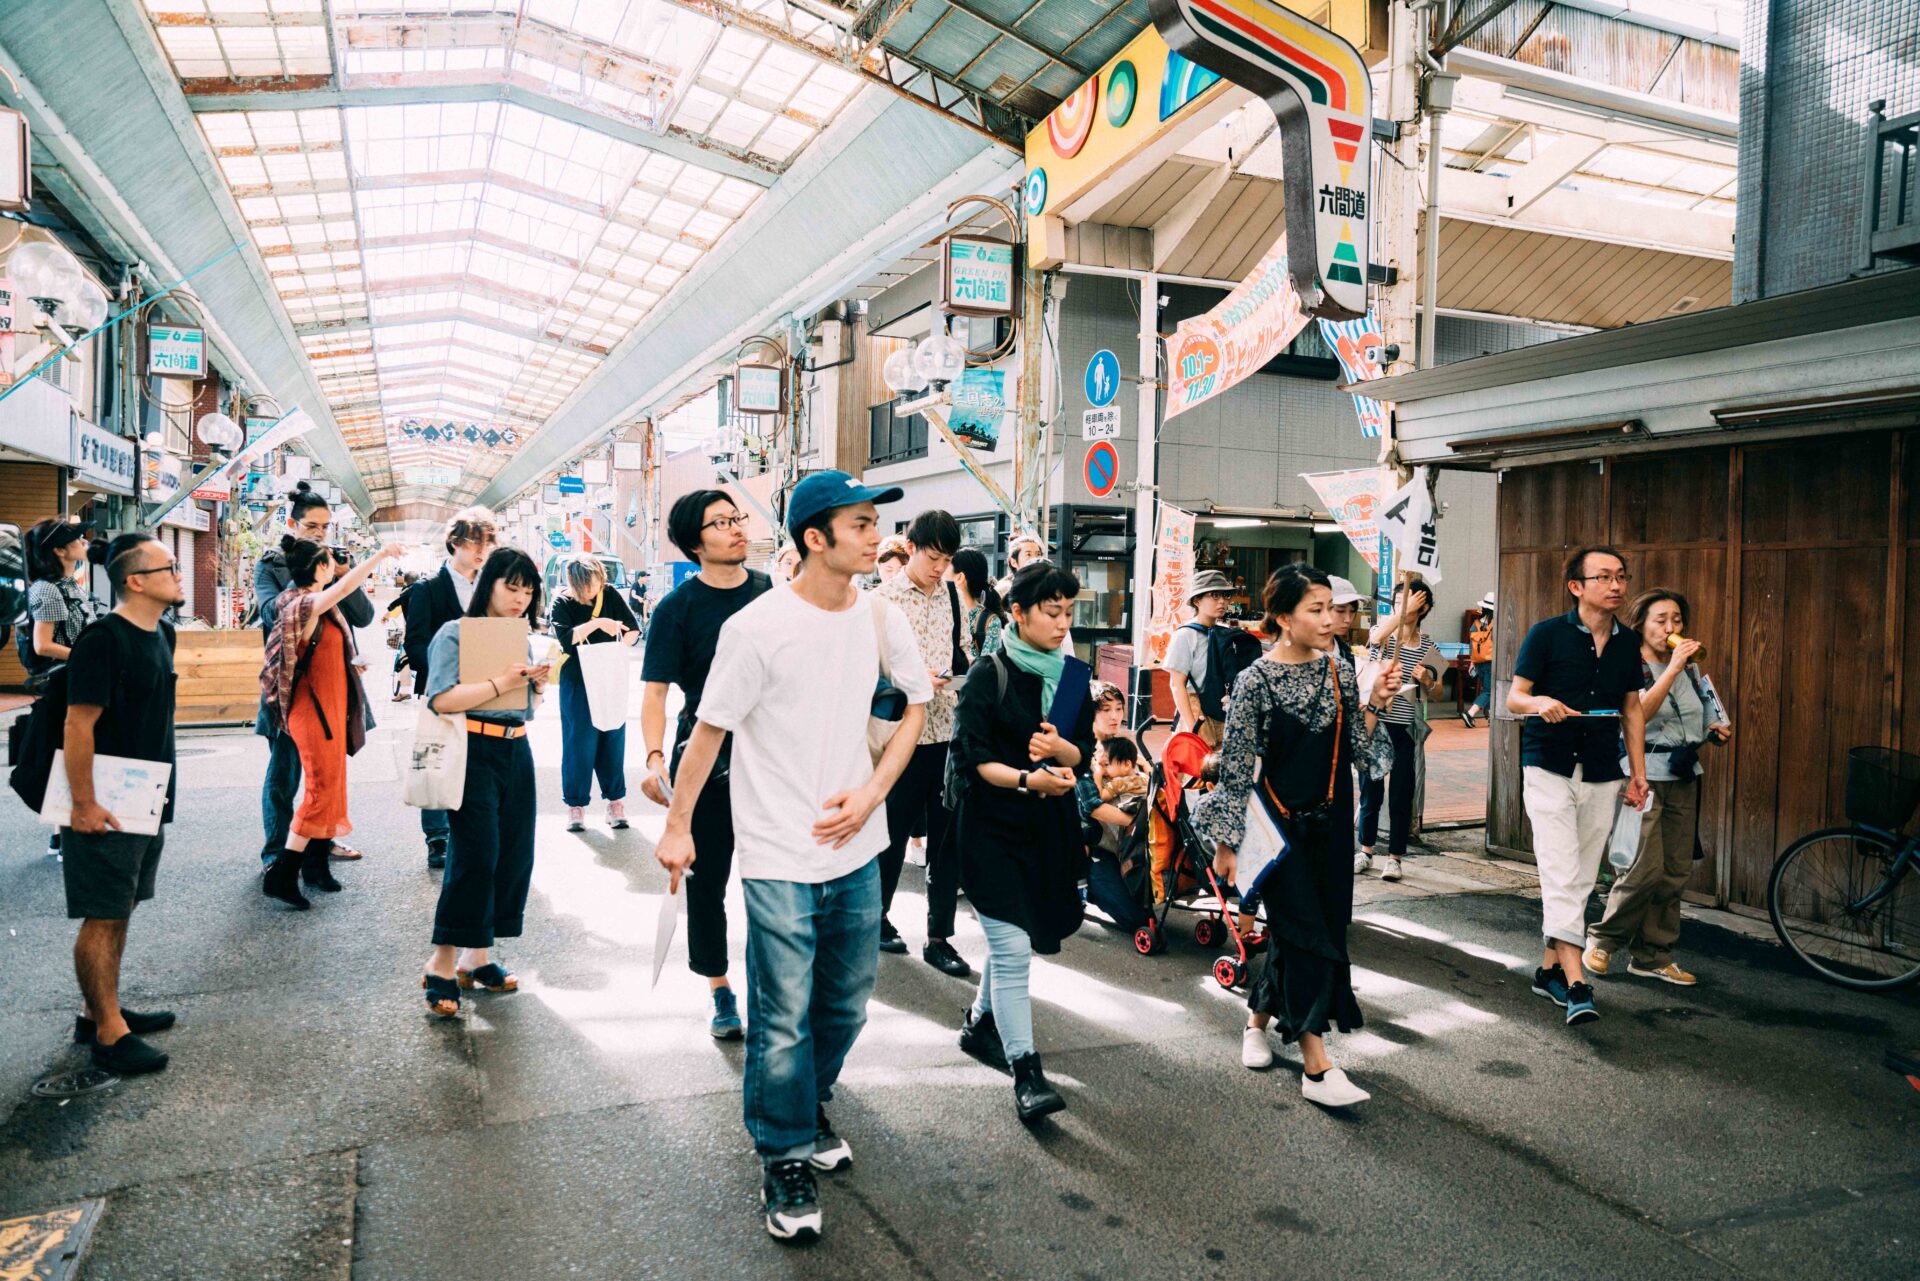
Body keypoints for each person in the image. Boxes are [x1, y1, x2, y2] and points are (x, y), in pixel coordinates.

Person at [653, 469, 927, 1244]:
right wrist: (679, 825)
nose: (879, 537)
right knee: (780, 1019)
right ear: (816, 538)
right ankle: (783, 1153)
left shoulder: (880, 616)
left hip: (857, 844)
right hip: (775, 846)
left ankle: (805, 1101)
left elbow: (917, 702)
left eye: (878, 523)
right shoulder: (758, 627)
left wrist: (873, 793)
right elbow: (709, 731)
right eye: (863, 524)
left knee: (846, 1002)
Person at [1198, 563, 1397, 1110]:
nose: (1332, 619)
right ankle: (1317, 1064)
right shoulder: (1254, 681)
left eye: (1332, 608)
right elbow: (1235, 769)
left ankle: (1256, 1024)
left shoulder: (1339, 672)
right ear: (1284, 618)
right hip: (1278, 832)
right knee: (1307, 932)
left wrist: (1376, 699)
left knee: (1312, 931)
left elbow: (1361, 751)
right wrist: (1226, 844)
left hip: (1331, 830)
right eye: (1317, 609)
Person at [950, 562, 1095, 1121]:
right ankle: (1026, 1073)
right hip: (989, 828)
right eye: (1051, 612)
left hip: (1045, 831)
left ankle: (977, 1025)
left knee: (1012, 939)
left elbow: (1083, 752)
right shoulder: (992, 672)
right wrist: (1027, 779)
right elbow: (972, 758)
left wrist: (1064, 755)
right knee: (1011, 949)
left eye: (1068, 613)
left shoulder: (1073, 677)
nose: (1062, 624)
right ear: (1019, 612)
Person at [640, 489, 772, 1039]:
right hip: (704, 757)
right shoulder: (678, 609)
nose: (737, 529)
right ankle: (719, 989)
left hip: (768, 754)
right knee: (707, 881)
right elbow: (655, 695)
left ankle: (773, 986)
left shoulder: (770, 592)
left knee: (772, 879)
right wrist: (652, 758)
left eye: (737, 518)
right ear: (695, 542)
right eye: (721, 523)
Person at [1508, 546, 1650, 1028]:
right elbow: (1514, 696)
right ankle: (1575, 981)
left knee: (1584, 874)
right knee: (1561, 867)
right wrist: (1540, 701)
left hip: (1602, 769)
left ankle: (1546, 970)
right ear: (1577, 586)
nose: (1616, 585)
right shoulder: (1546, 634)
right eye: (1604, 577)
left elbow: (1631, 709)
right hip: (1548, 765)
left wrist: (1638, 772)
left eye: (1621, 577)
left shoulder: (1629, 643)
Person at [61, 533, 184, 1076]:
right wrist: (83, 803)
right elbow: (77, 724)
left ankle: (99, 1009)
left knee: (123, 905)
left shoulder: (164, 633)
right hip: (107, 798)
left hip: (147, 794)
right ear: (135, 580)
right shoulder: (103, 640)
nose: (178, 573)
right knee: (104, 913)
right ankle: (109, 1035)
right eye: (169, 566)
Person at [419, 548, 550, 1019]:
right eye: (510, 587)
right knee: (475, 857)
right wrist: (500, 682)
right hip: (470, 752)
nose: (519, 598)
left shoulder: (524, 639)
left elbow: (525, 708)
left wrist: (535, 685)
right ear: (488, 584)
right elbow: (442, 699)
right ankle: (442, 963)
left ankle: (479, 958)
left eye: (527, 589)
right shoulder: (455, 633)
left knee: (513, 854)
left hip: (516, 750)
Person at [1584, 589, 1730, 987]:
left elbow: (1702, 710)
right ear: (1641, 624)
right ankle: (1603, 940)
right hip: (1642, 775)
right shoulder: (1628, 665)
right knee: (1641, 867)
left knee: (1674, 871)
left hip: (1683, 774)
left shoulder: (1691, 669)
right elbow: (1635, 716)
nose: (1671, 627)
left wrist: (1713, 730)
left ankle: (1653, 955)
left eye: (1677, 620)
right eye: (1661, 620)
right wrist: (1671, 669)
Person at [259, 539, 403, 909]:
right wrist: (381, 555)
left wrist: (351, 663)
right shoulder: (301, 604)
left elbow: (324, 651)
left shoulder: (322, 609)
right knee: (320, 790)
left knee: (332, 788)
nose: (335, 569)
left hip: (333, 708)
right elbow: (345, 587)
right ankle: (282, 874)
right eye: (330, 564)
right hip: (313, 711)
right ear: (320, 569)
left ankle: (316, 866)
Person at [256, 482, 376, 868]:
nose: (319, 533)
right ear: (293, 524)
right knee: (284, 773)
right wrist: (308, 573)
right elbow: (273, 611)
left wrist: (343, 574)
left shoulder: (335, 562)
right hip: (291, 684)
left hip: (333, 684)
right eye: (311, 526)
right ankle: (277, 852)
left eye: (324, 526)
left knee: (326, 772)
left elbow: (364, 616)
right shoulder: (272, 563)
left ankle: (320, 845)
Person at [874, 509, 973, 976]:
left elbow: (961, 650)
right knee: (891, 834)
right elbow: (870, 668)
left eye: (947, 559)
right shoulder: (884, 599)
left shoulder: (953, 595)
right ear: (910, 548)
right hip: (902, 736)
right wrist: (914, 681)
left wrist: (960, 675)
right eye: (933, 557)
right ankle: (876, 918)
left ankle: (939, 938)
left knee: (948, 840)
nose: (940, 568)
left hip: (947, 732)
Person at [404, 508, 497, 869]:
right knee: (437, 757)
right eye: (475, 541)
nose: (481, 550)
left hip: (486, 691)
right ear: (454, 542)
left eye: (487, 542)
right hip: (443, 692)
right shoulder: (427, 589)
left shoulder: (492, 587)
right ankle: (437, 838)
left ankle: (470, 834)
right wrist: (447, 673)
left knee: (477, 762)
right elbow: (415, 644)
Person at [25, 517, 106, 858]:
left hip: (78, 679)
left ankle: (64, 833)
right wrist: (83, 657)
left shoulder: (71, 582)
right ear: (58, 550)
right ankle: (63, 835)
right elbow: (42, 644)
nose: (84, 542)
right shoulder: (47, 588)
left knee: (74, 754)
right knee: (66, 755)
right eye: (76, 539)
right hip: (64, 683)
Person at [1355, 578, 1444, 881]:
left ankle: (1395, 858)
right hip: (1376, 722)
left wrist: (1428, 681)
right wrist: (1401, 611)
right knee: (1371, 791)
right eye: (1397, 603)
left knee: (1401, 794)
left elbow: (1439, 691)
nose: (1400, 608)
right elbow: (1376, 637)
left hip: (1404, 728)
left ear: (1424, 608)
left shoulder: (1428, 647)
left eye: (1408, 604)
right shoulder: (1385, 635)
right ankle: (1365, 850)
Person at [551, 555, 641, 832]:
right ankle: (575, 806)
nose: (592, 591)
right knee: (579, 743)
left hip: (610, 680)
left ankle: (615, 802)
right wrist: (598, 623)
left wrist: (619, 648)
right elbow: (566, 641)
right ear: (574, 584)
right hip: (577, 681)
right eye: (587, 587)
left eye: (596, 584)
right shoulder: (562, 602)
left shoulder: (610, 593)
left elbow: (634, 631)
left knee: (613, 737)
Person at [1075, 683, 1146, 933]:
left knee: (1150, 909)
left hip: (1125, 846)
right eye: (1106, 710)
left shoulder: (1123, 747)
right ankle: (1087, 885)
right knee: (1136, 918)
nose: (1115, 716)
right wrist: (1137, 823)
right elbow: (1091, 807)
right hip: (1095, 846)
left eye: (1118, 708)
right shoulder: (1081, 751)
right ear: (1091, 714)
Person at [1164, 569, 1236, 746]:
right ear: (1197, 600)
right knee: (1193, 766)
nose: (1222, 601)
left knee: (1215, 769)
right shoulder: (1185, 635)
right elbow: (1176, 684)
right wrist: (1191, 727)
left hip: (1221, 708)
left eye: (1225, 596)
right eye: (1214, 595)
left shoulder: (1224, 633)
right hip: (1196, 708)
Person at [950, 546, 1007, 660]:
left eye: (946, 570)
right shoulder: (943, 612)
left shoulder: (989, 622)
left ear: (959, 578)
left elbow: (988, 669)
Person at [1464, 592, 1495, 727]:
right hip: (1491, 662)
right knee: (1488, 690)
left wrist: (1472, 662)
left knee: (1487, 688)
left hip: (1478, 663)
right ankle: (1470, 713)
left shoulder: (1475, 624)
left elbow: (1472, 646)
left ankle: (1490, 717)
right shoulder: (1495, 625)